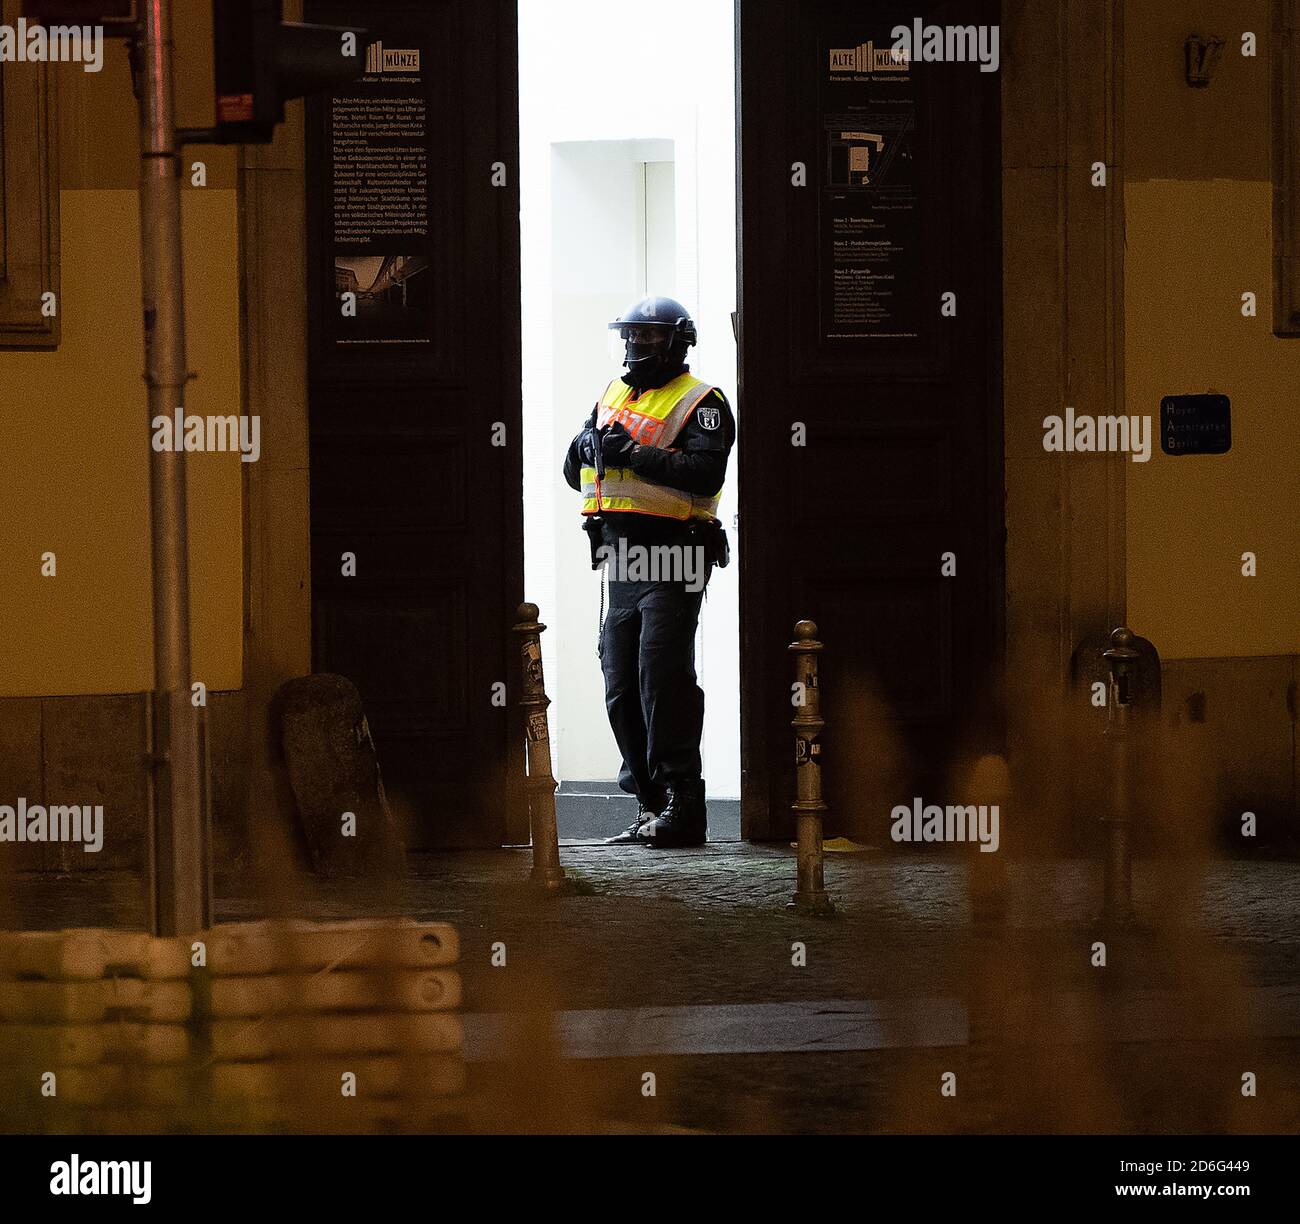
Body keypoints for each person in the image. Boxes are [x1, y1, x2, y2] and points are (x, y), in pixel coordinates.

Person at [562, 296, 736, 848]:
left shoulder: (702, 401)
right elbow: (574, 471)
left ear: (678, 342)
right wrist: (587, 444)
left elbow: (705, 474)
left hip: (676, 554)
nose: (637, 347)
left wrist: (632, 454)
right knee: (620, 684)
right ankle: (650, 804)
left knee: (663, 678)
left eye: (650, 338)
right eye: (632, 337)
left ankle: (684, 803)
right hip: (620, 558)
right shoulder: (612, 394)